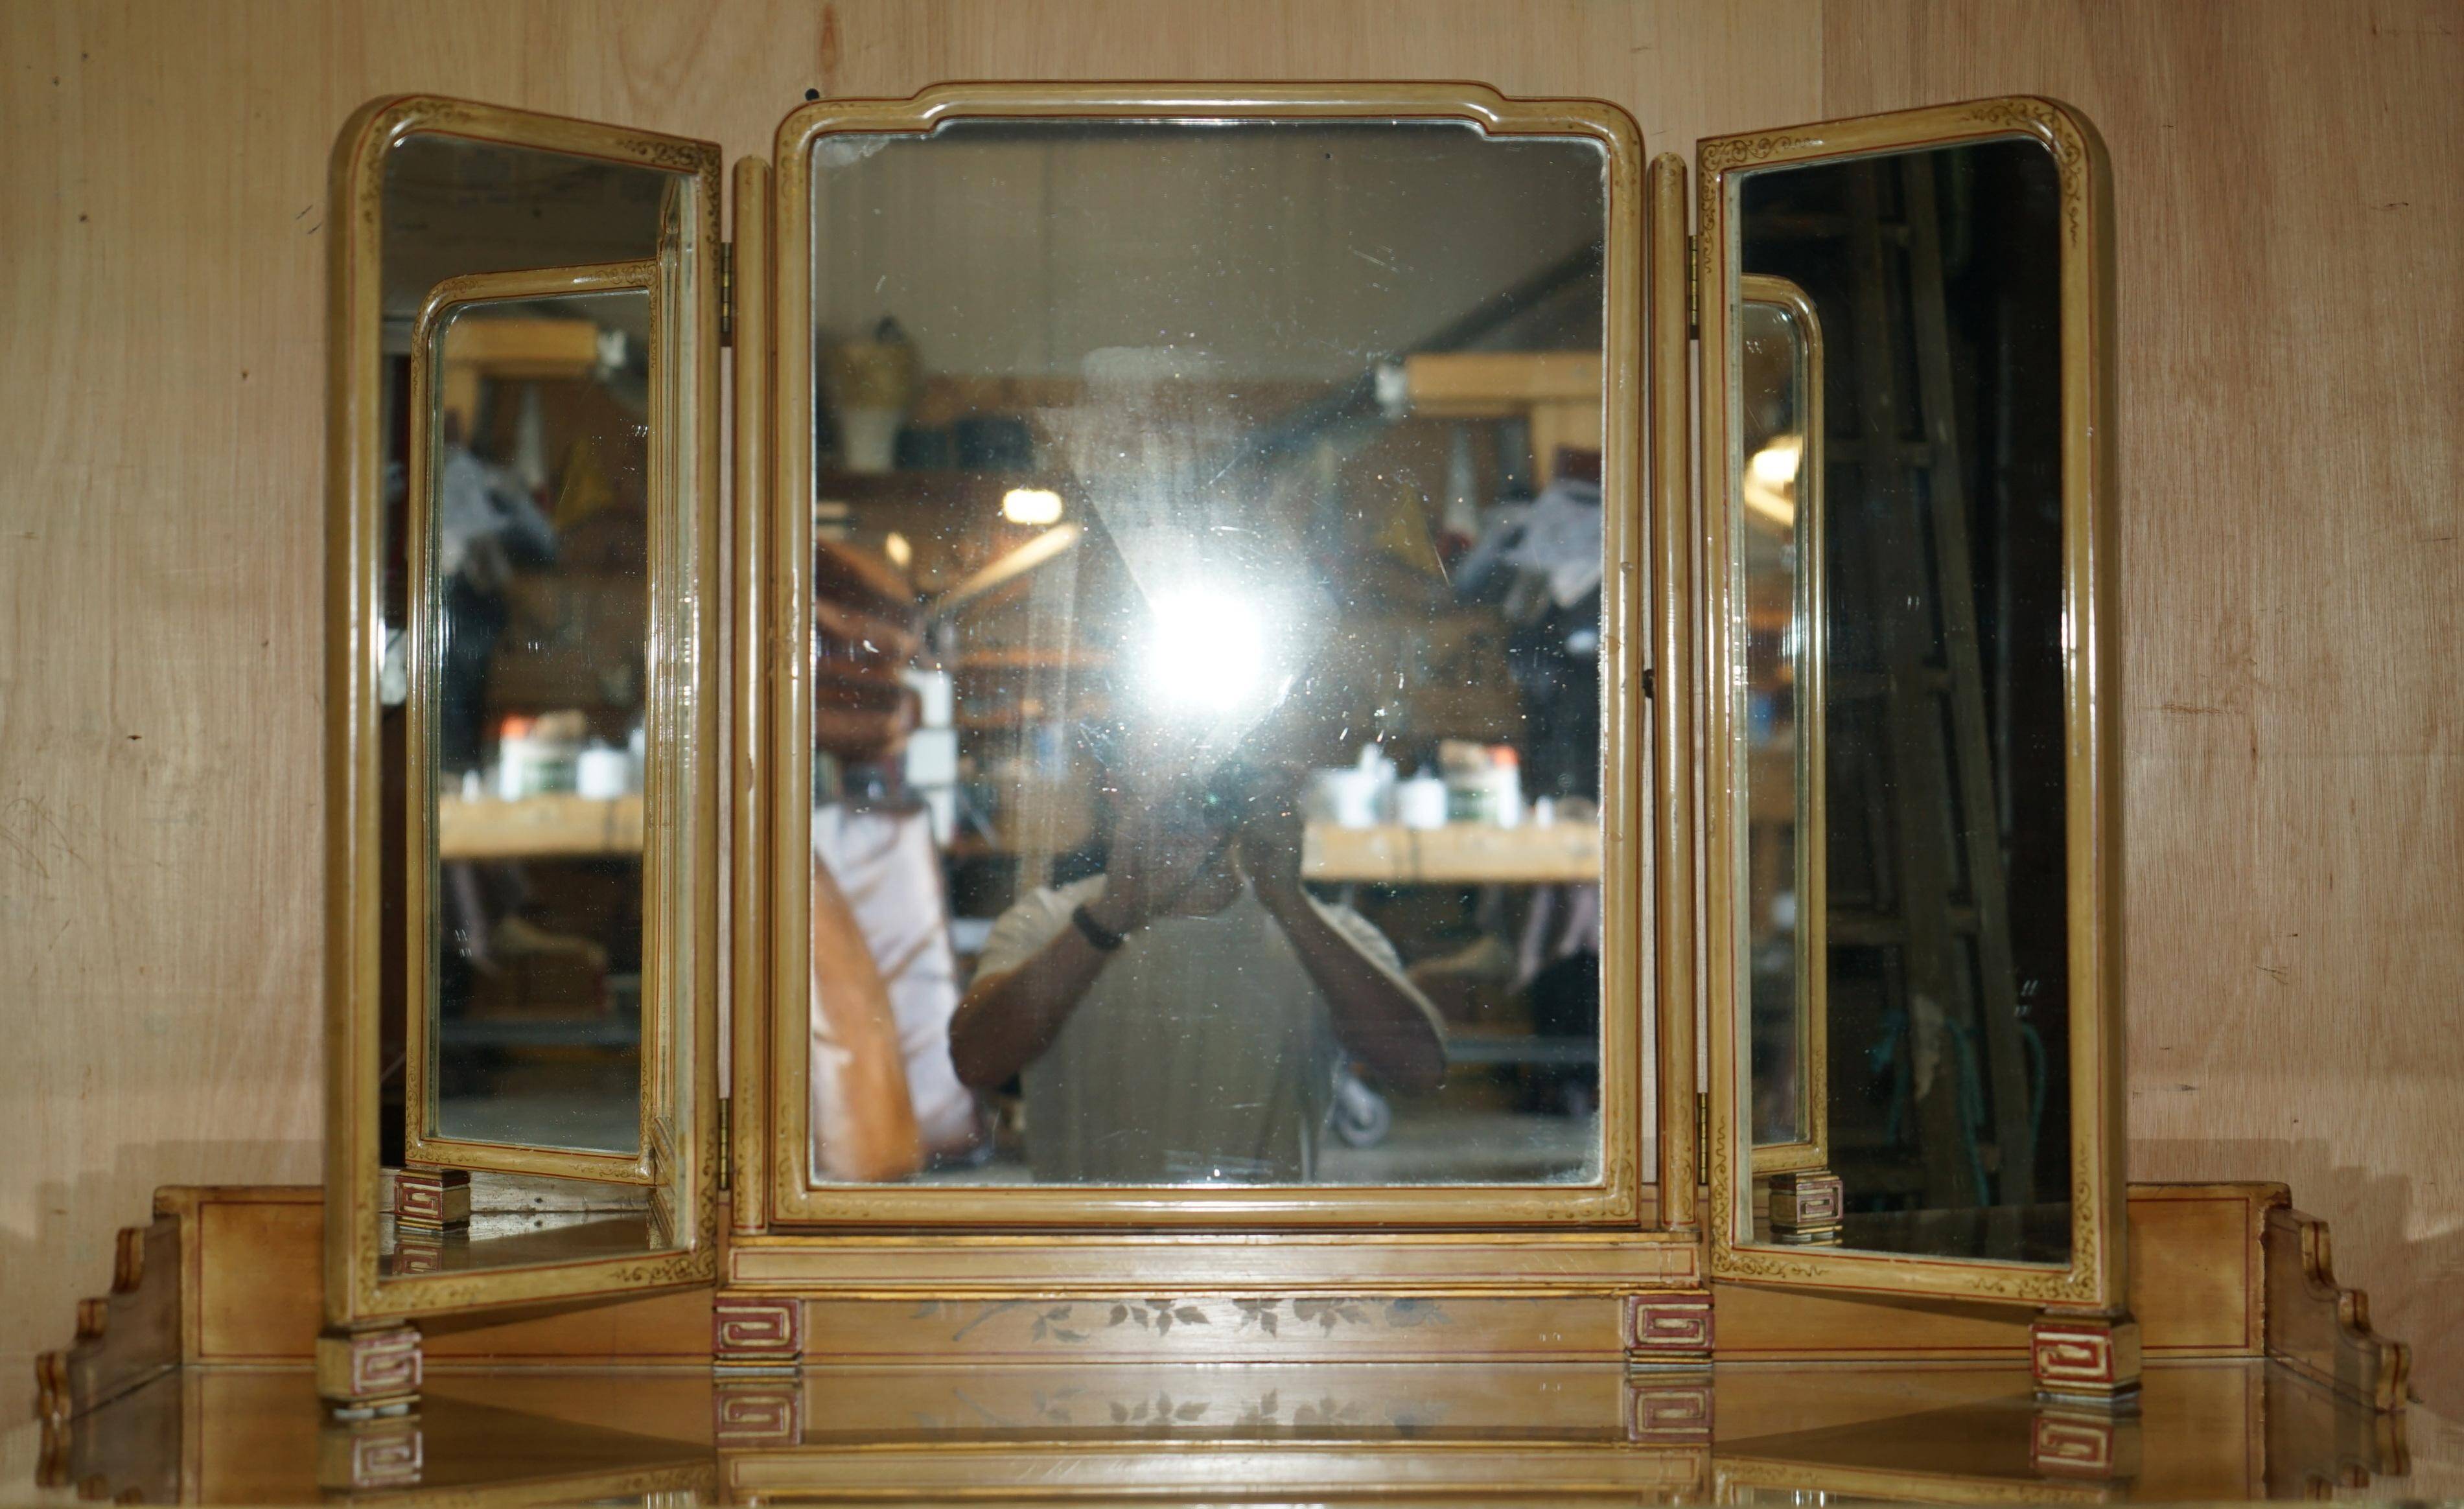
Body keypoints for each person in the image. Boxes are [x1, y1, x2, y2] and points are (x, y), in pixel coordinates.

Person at [950, 759, 1445, 1184]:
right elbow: (975, 1061)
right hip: (1092, 1257)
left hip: (1258, 1260)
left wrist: (1288, 900)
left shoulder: (1319, 936)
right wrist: (1113, 914)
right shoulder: (1048, 923)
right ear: (1119, 792)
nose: (1185, 808)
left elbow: (1421, 1069)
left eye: (1206, 790)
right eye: (1164, 780)